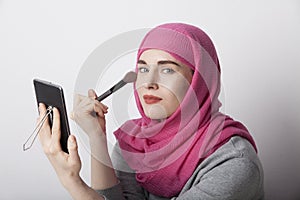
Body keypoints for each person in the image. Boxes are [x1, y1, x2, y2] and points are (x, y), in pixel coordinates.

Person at [37, 23, 264, 199]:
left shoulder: (233, 161)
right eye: (143, 68)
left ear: (200, 82)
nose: (148, 82)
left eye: (167, 70)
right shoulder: (135, 140)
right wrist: (97, 139)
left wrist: (70, 181)